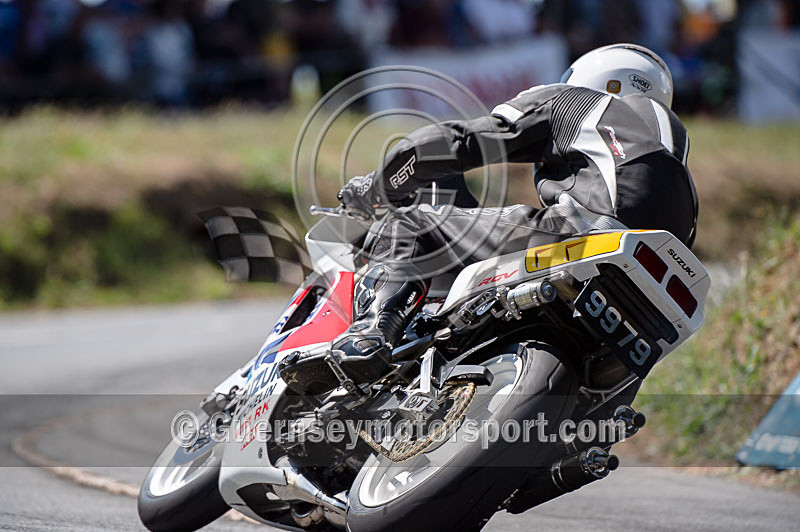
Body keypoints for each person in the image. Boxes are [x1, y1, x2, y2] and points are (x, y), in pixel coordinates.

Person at [279, 43, 699, 395]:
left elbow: (461, 142)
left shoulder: (578, 102)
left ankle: (370, 335)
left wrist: (378, 186)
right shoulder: (684, 189)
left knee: (412, 223)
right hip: (642, 306)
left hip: (582, 237)